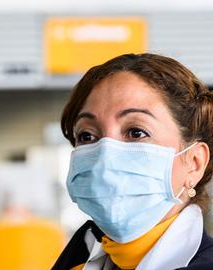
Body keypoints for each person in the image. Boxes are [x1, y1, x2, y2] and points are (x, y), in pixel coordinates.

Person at [52, 53, 213, 270]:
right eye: (87, 136)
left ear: (194, 163)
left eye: (136, 132)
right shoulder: (78, 259)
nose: (104, 159)